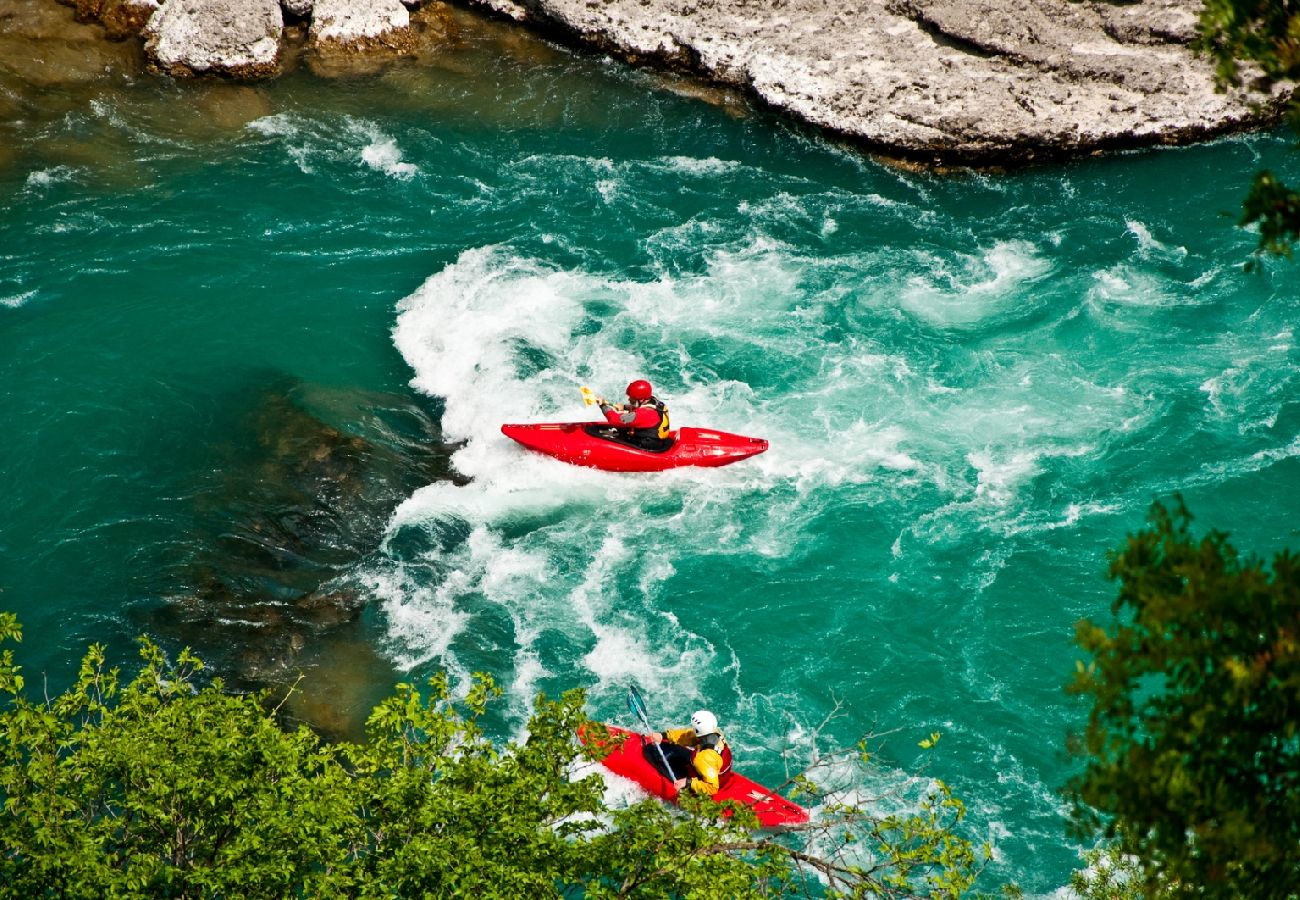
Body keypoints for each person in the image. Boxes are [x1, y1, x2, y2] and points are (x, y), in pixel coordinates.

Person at [644, 709, 733, 796]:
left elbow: (712, 788)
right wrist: (664, 735)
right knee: (676, 749)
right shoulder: (716, 733)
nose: (692, 729)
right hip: (713, 772)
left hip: (705, 780)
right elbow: (688, 736)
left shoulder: (703, 758)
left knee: (650, 751)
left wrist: (688, 782)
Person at [596, 379, 673, 451]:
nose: (629, 399)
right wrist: (624, 407)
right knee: (620, 430)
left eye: (632, 398)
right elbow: (640, 408)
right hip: (656, 440)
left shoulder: (643, 415)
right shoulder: (655, 402)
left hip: (648, 445)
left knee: (617, 432)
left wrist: (603, 406)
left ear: (641, 399)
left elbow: (614, 419)